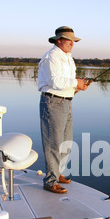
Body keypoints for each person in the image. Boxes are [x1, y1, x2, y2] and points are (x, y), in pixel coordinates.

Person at [38, 26, 91, 193]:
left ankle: (57, 172)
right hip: (52, 103)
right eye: (69, 40)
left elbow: (66, 84)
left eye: (73, 41)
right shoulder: (52, 57)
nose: (72, 44)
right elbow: (55, 82)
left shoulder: (68, 57)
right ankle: (50, 181)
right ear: (59, 40)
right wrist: (76, 83)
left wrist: (78, 87)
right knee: (54, 143)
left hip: (66, 102)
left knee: (65, 143)